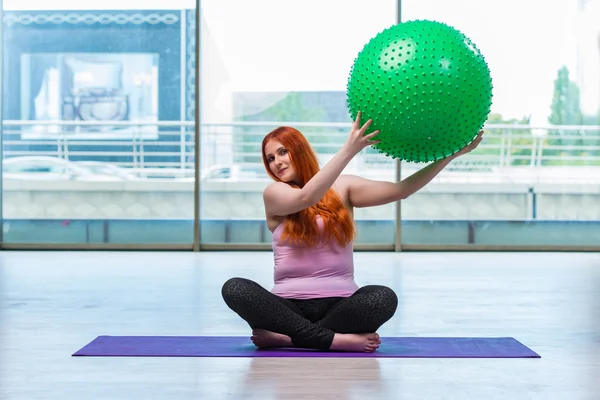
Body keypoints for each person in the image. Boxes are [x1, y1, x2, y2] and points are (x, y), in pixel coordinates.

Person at [222, 111, 484, 352]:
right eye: (270, 158)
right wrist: (349, 150)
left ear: (299, 151)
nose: (277, 162)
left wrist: (450, 156)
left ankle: (290, 339)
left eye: (282, 152)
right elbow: (305, 198)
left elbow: (401, 189)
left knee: (382, 297)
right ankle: (333, 340)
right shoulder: (275, 193)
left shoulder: (343, 187)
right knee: (235, 288)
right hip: (287, 307)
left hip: (341, 306)